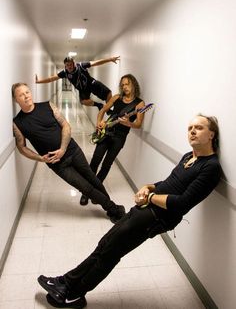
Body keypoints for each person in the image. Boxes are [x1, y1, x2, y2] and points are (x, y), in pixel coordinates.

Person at [38, 114, 222, 309]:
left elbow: (182, 203)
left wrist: (149, 198)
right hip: (146, 208)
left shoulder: (210, 167)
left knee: (110, 253)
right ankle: (66, 282)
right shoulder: (189, 156)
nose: (192, 131)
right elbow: (169, 183)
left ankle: (73, 295)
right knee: (105, 245)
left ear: (211, 134)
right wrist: (149, 187)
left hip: (154, 217)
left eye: (199, 128)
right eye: (190, 127)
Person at [12, 83, 125, 223]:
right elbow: (21, 147)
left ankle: (107, 204)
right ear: (16, 100)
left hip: (72, 150)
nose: (25, 96)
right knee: (85, 187)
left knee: (92, 177)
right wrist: (41, 159)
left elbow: (65, 125)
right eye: (21, 95)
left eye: (27, 92)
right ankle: (113, 209)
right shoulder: (18, 123)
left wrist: (63, 149)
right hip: (57, 164)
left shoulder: (48, 105)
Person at [79, 73, 145, 206]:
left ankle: (95, 191)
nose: (125, 87)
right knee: (95, 161)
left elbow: (138, 124)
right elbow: (102, 110)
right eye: (123, 85)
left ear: (134, 84)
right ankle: (85, 192)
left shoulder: (139, 104)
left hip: (120, 138)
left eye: (127, 84)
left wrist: (128, 123)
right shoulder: (116, 98)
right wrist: (99, 122)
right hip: (107, 133)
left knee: (106, 164)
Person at [35, 56, 120, 110]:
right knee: (83, 102)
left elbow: (96, 63)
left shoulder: (81, 66)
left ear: (74, 64)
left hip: (92, 83)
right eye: (67, 65)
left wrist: (110, 59)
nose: (69, 66)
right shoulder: (65, 72)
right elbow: (51, 79)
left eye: (71, 64)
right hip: (82, 90)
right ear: (65, 65)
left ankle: (109, 110)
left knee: (109, 93)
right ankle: (99, 105)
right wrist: (39, 81)